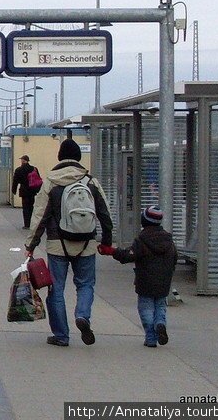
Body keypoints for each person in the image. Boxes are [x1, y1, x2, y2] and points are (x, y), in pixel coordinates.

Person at [24, 139, 113, 347]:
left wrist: (31, 245)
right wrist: (106, 242)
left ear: (59, 157)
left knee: (56, 289)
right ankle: (82, 315)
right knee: (85, 285)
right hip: (86, 242)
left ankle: (61, 335)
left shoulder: (51, 182)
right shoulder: (90, 182)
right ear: (79, 158)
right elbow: (105, 214)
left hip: (57, 244)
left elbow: (40, 217)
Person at [98, 206, 178, 348]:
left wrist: (111, 251)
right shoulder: (169, 240)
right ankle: (160, 323)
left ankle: (151, 338)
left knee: (145, 308)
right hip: (164, 282)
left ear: (144, 221)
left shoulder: (142, 240)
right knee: (160, 306)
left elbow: (128, 255)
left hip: (145, 281)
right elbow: (174, 258)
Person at [11, 155, 40, 229]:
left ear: (23, 160)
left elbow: (15, 181)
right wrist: (39, 190)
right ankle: (32, 223)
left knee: (25, 208)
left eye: (21, 160)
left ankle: (27, 224)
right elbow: (38, 179)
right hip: (32, 190)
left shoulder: (19, 170)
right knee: (31, 207)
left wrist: (13, 190)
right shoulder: (34, 169)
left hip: (24, 190)